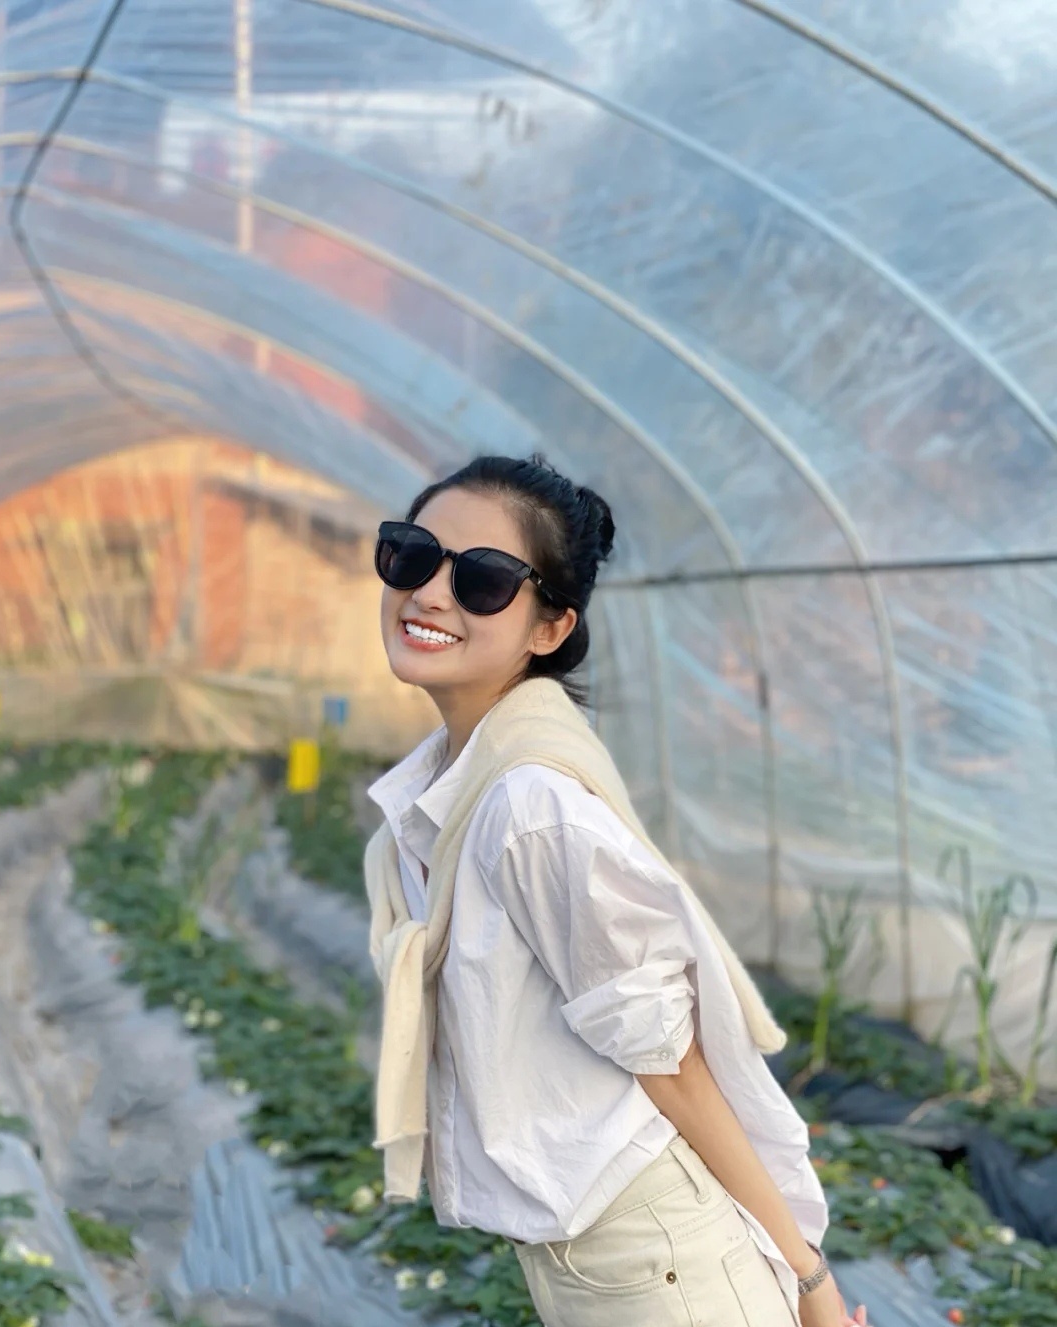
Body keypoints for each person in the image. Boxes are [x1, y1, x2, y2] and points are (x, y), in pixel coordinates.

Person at [363, 453, 866, 1327]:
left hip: (659, 1264)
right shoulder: (455, 788)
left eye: (483, 578)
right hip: (600, 1261)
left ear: (551, 627)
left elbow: (673, 1066)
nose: (432, 593)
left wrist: (810, 1280)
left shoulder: (529, 808)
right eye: (412, 555)